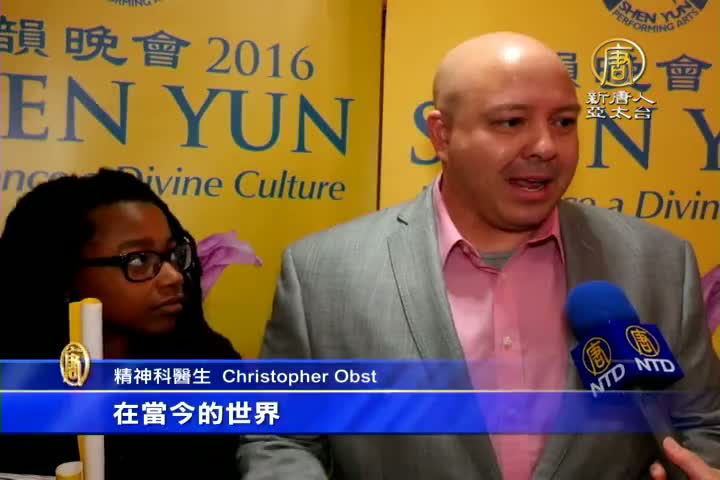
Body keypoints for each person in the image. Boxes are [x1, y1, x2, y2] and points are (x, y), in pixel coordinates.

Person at [238, 32, 720, 479]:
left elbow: (704, 423)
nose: (546, 147)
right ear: (442, 135)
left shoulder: (658, 263)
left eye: (564, 122)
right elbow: (281, 437)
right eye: (511, 122)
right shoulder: (323, 273)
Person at [0, 169, 241, 479]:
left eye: (173, 255)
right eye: (138, 259)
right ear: (61, 273)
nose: (173, 277)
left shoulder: (210, 365)